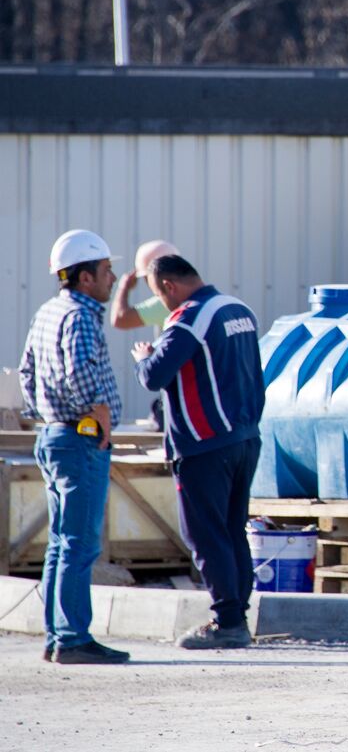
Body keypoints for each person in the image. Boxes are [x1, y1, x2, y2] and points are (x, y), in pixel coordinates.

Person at [131, 254, 265, 650]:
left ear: (169, 286)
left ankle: (228, 622)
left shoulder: (190, 317)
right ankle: (237, 617)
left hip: (204, 445)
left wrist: (143, 358)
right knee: (232, 531)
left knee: (206, 536)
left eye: (158, 296)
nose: (162, 304)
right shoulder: (238, 309)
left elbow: (155, 375)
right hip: (244, 438)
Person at [18, 229, 131, 664]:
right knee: (80, 544)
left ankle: (58, 636)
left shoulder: (49, 311)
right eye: (105, 270)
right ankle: (72, 638)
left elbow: (27, 374)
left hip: (54, 434)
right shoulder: (80, 316)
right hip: (79, 438)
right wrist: (97, 412)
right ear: (85, 277)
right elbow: (79, 371)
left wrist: (49, 414)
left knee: (62, 543)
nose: (112, 278)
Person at [111, 239, 180, 334]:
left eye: (145, 277)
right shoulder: (189, 293)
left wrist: (124, 287)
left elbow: (120, 319)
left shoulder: (165, 303)